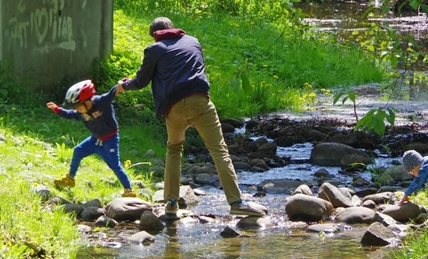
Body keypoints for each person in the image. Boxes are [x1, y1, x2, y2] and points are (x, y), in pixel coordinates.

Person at [116, 17, 267, 217]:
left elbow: (141, 81)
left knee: (174, 149)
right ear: (172, 29)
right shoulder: (193, 41)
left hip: (174, 107)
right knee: (219, 151)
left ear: (154, 35)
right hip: (200, 102)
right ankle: (236, 202)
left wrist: (123, 85)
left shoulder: (154, 49)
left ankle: (171, 202)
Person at [47, 79, 137, 198]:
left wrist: (124, 84)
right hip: (94, 139)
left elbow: (114, 91)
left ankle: (129, 191)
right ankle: (70, 179)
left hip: (109, 141)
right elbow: (69, 114)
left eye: (77, 106)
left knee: (114, 165)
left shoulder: (101, 102)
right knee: (78, 151)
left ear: (87, 101)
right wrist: (57, 109)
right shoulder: (80, 113)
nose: (76, 109)